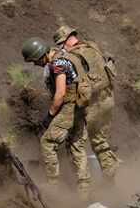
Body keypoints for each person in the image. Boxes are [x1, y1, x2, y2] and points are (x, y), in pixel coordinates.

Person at [21, 36, 90, 195]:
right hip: (80, 107)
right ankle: (83, 191)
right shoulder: (63, 56)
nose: (35, 64)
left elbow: (60, 94)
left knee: (47, 142)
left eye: (35, 60)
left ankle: (53, 188)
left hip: (69, 108)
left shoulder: (57, 64)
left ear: (41, 55)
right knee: (76, 146)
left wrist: (50, 115)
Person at [53, 25, 119, 180]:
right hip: (108, 99)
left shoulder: (73, 58)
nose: (62, 49)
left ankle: (83, 188)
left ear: (66, 41)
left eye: (61, 45)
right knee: (100, 141)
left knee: (75, 143)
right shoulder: (92, 46)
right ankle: (110, 181)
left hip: (93, 105)